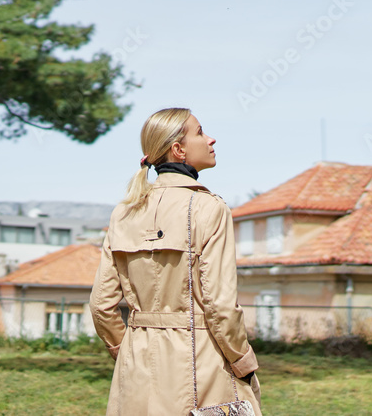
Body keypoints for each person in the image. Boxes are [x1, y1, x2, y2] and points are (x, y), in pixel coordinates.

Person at [90, 108, 263, 416]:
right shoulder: (209, 208)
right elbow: (220, 305)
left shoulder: (124, 212)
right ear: (179, 149)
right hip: (201, 363)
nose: (211, 139)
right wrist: (242, 361)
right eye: (200, 132)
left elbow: (102, 306)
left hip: (136, 364)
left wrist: (125, 349)